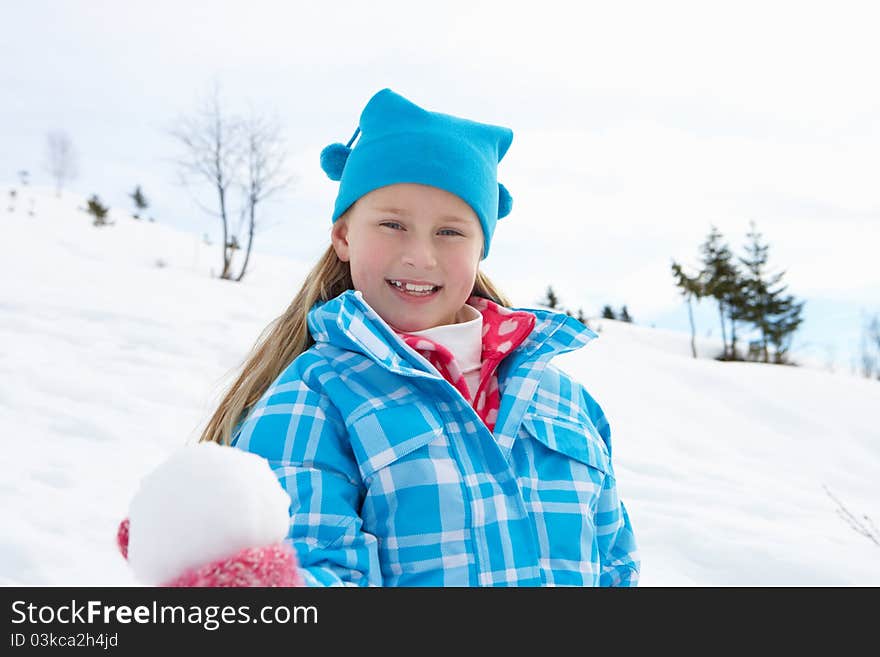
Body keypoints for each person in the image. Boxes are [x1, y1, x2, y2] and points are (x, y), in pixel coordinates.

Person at [200, 88, 640, 587]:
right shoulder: (316, 397)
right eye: (392, 224)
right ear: (344, 236)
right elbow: (313, 569)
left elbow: (614, 565)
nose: (420, 257)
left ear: (481, 249)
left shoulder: (562, 399)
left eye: (450, 232)